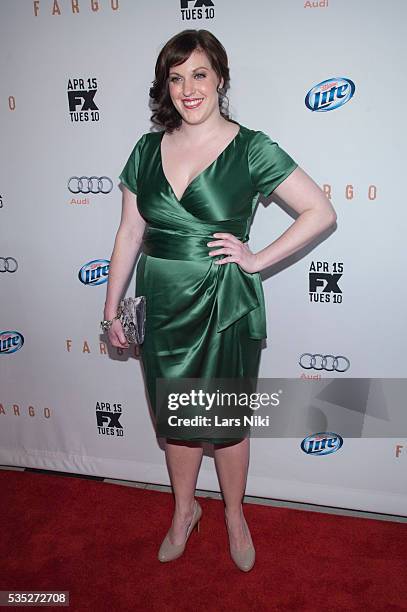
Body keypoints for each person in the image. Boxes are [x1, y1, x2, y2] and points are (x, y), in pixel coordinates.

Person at [103, 29, 336, 572]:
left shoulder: (252, 147)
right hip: (161, 300)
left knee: (226, 424)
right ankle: (185, 512)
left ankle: (234, 514)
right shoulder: (145, 150)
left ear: (220, 79)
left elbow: (319, 211)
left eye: (199, 74)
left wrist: (256, 259)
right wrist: (111, 308)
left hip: (224, 300)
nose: (188, 89)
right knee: (177, 419)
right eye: (176, 77)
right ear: (166, 85)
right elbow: (127, 235)